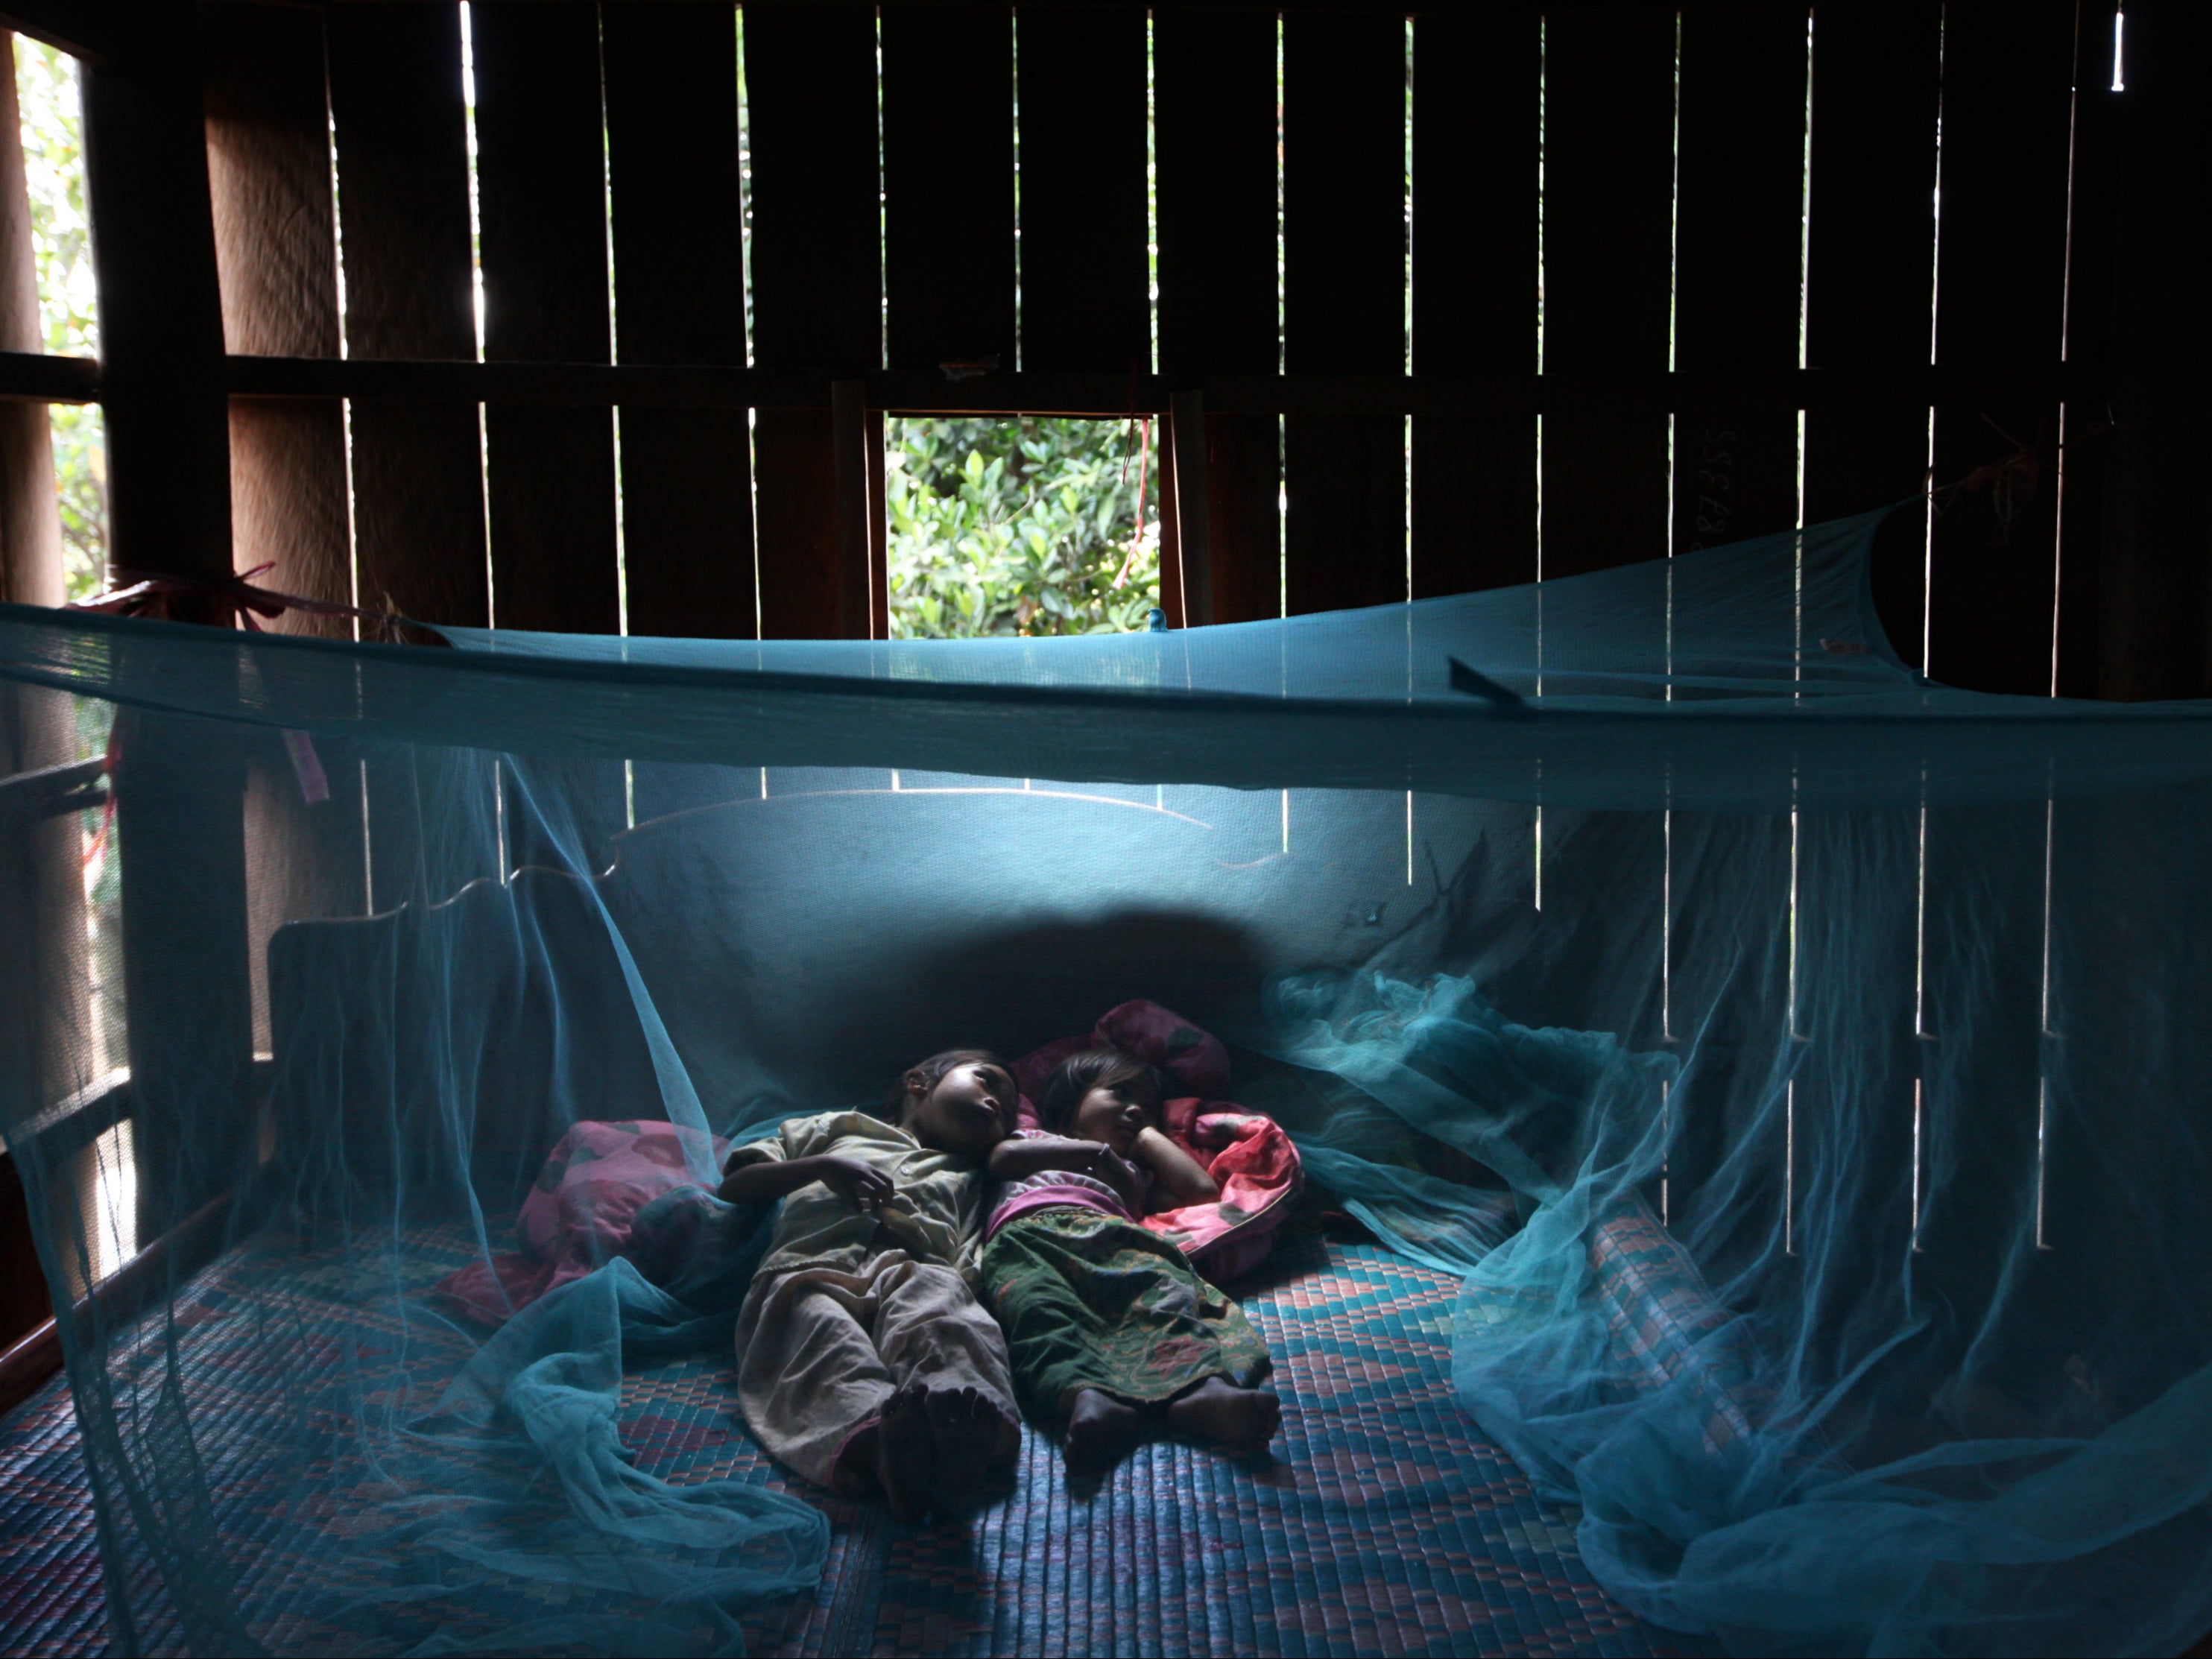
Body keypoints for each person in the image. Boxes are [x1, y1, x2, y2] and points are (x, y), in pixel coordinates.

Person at [718, 1049, 1022, 1522]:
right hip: (810, 1262)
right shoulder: (838, 1128)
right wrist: (819, 1167)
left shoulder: (973, 1174)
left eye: (1009, 1110)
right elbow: (737, 1184)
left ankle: (957, 1422)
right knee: (815, 1336)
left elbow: (975, 1254)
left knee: (947, 1318)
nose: (997, 1105)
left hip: (917, 1265)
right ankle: (879, 1445)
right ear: (919, 1082)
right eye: (986, 1082)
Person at [980, 1047, 1282, 1468]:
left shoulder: (1134, 1169)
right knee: (1042, 1311)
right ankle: (1088, 1397)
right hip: (1028, 1237)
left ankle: (1200, 1391)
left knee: (1162, 1298)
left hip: (1114, 1237)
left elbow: (1201, 1193)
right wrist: (1092, 1153)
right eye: (1119, 1094)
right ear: (1068, 1109)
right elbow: (1000, 1159)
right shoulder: (1042, 1140)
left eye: (1148, 1107)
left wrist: (1147, 1138)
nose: (1135, 1109)